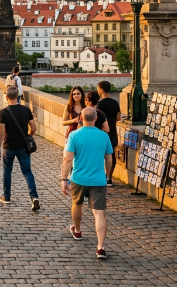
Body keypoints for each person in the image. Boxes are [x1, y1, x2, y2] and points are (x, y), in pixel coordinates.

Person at [61, 107, 113, 260]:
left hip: (78, 178)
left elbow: (68, 159)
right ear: (96, 119)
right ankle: (100, 247)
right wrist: (107, 176)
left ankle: (77, 230)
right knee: (99, 213)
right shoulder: (104, 136)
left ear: (81, 119)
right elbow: (109, 160)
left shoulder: (74, 135)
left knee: (77, 204)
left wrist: (64, 179)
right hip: (98, 180)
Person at [0, 86, 40, 211]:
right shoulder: (26, 110)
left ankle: (6, 196)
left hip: (8, 147)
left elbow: (0, 132)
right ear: (18, 96)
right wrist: (28, 136)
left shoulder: (4, 112)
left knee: (7, 171)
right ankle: (34, 197)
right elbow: (34, 128)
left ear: (6, 97)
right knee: (27, 172)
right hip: (23, 147)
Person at [96, 81, 121, 186]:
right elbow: (118, 118)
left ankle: (100, 176)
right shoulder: (115, 102)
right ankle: (109, 177)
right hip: (113, 133)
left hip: (102, 132)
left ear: (101, 89)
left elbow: (97, 118)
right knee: (111, 156)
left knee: (100, 155)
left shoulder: (100, 104)